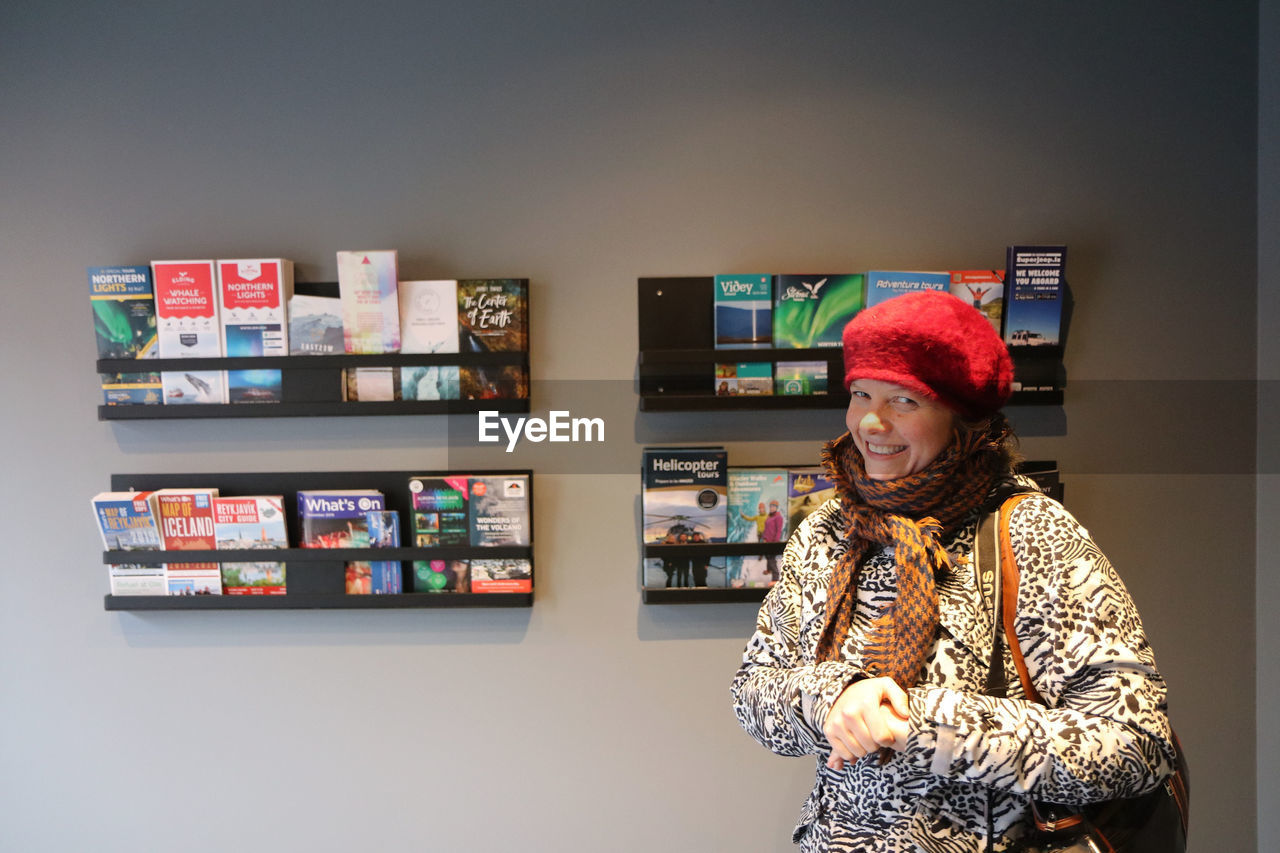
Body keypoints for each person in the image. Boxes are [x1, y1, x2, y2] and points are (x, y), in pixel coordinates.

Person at [730, 290, 1176, 852]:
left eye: (905, 402)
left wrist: (919, 723)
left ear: (961, 418)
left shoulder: (1029, 531)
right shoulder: (831, 528)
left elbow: (1136, 746)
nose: (871, 421)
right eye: (861, 393)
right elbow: (753, 690)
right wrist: (834, 697)